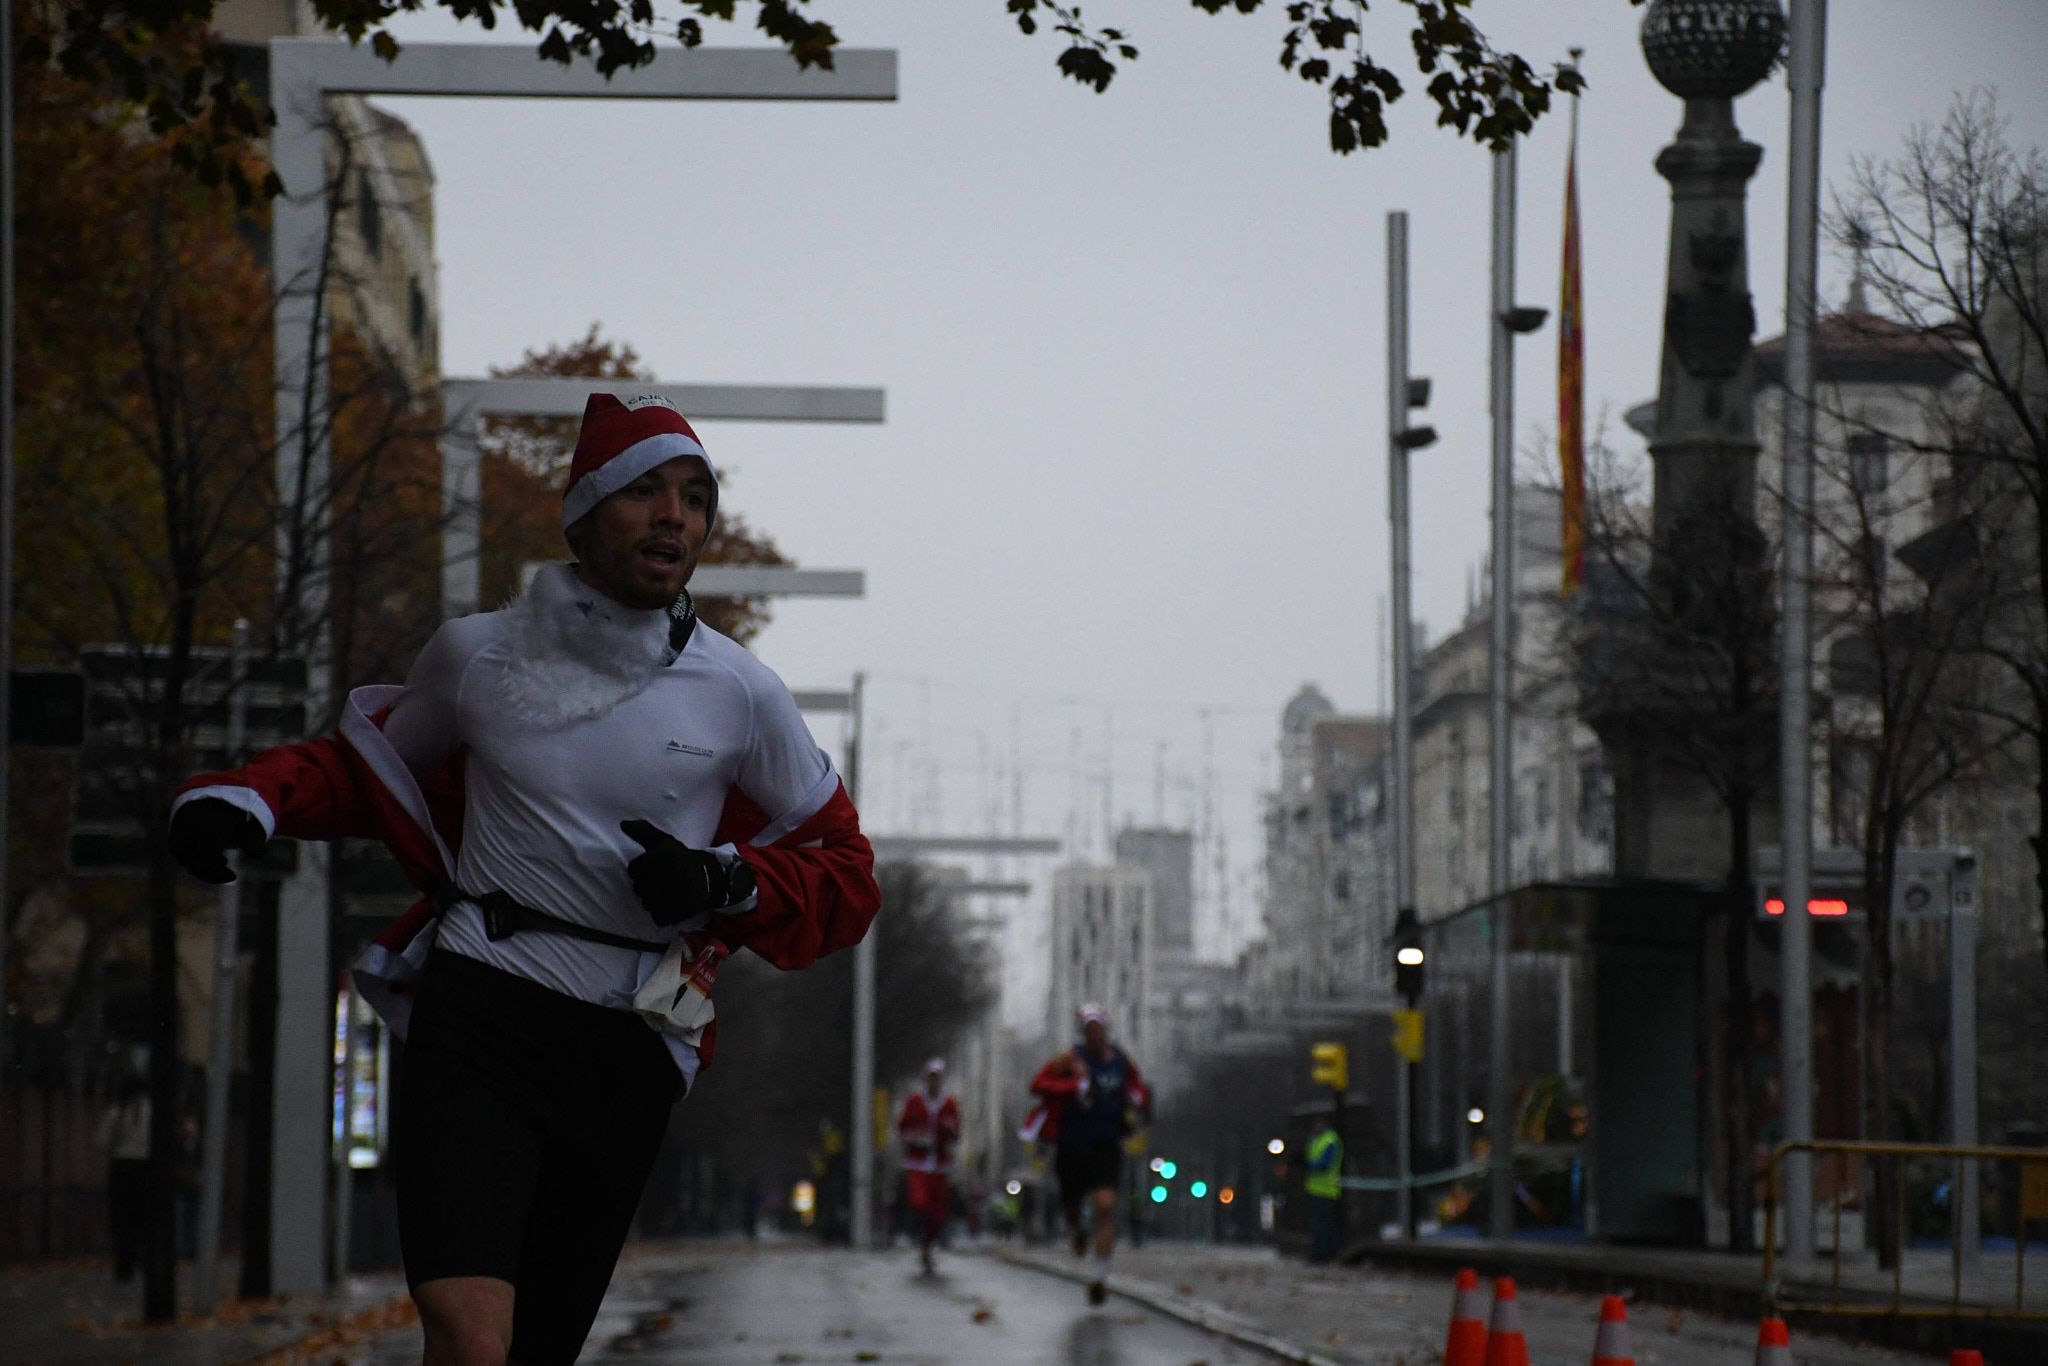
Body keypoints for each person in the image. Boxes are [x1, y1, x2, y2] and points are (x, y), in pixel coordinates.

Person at [167, 392, 879, 1366]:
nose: (673, 516)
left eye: (694, 497)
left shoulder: (741, 692)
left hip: (628, 1045)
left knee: (533, 1349)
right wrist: (248, 798)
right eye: (645, 490)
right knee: (470, 1338)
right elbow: (362, 769)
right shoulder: (476, 656)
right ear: (582, 515)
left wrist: (722, 881)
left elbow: (846, 874)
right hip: (481, 1009)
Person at [1030, 1004, 1149, 1305]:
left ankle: (1100, 1277)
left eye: (1099, 1029)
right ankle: (1076, 1230)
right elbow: (1038, 1085)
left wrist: (1136, 1100)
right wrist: (1074, 1086)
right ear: (1083, 1033)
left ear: (1106, 1031)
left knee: (1105, 1204)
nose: (1095, 1036)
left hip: (1107, 1143)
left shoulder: (1120, 1061)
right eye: (1089, 1030)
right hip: (1072, 1143)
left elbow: (1138, 1089)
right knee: (1072, 1206)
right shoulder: (1069, 1059)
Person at [895, 1057, 962, 1273]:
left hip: (940, 1166)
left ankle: (927, 1245)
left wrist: (949, 1129)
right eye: (931, 1077)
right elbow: (903, 1127)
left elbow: (956, 1132)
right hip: (917, 1163)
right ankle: (916, 1233)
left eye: (937, 1078)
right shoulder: (915, 1101)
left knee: (937, 1214)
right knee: (919, 1201)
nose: (934, 1082)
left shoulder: (949, 1104)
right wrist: (913, 1137)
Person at [97, 1073, 151, 1282]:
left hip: (122, 1166)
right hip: (145, 1167)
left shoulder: (117, 1112)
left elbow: (102, 1142)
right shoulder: (152, 1112)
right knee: (144, 1217)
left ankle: (124, 1266)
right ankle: (143, 1258)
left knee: (122, 1219)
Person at [1304, 1119, 1344, 1263]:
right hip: (1317, 1189)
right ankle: (1325, 1253)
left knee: (1324, 1225)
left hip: (1327, 1190)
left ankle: (1324, 1254)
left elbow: (1325, 1165)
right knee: (1322, 1224)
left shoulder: (1329, 1141)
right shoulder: (1317, 1140)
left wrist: (1307, 1165)